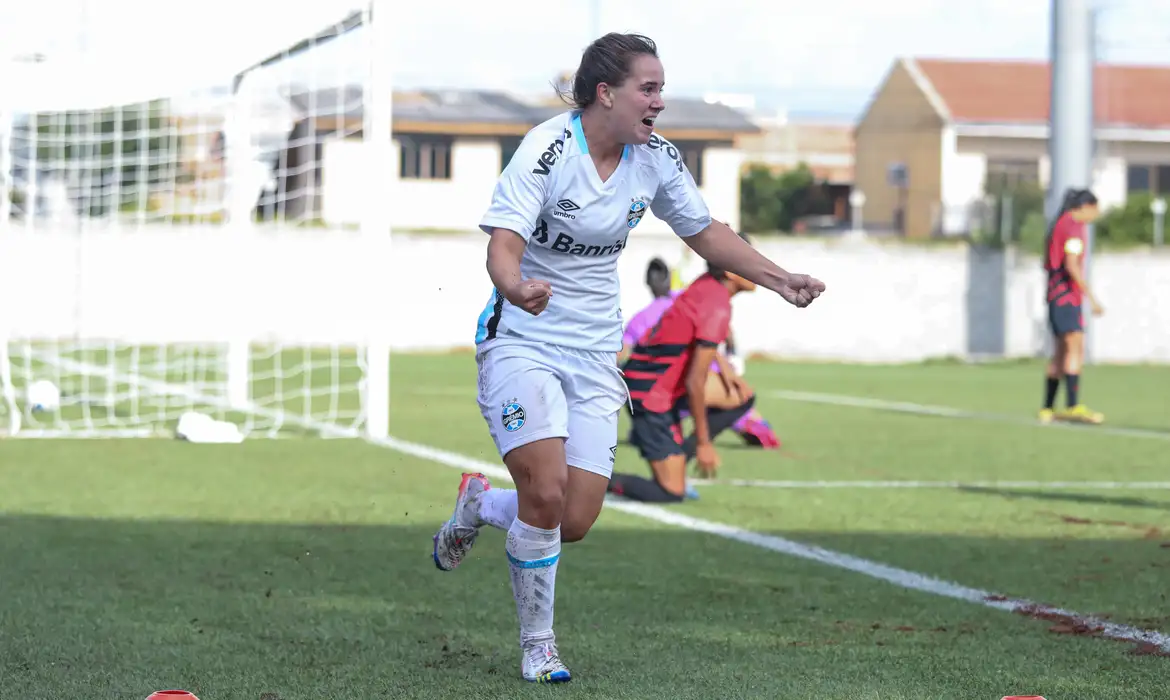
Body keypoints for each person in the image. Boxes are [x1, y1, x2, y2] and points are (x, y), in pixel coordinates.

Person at [430, 32, 826, 684]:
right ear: (606, 93)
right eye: (649, 88)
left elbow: (707, 234)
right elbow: (502, 244)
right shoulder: (548, 150)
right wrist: (514, 286)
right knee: (546, 488)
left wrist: (780, 279)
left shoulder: (656, 159)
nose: (660, 102)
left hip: (593, 354)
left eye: (661, 89)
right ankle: (539, 646)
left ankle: (477, 507)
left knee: (575, 519)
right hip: (522, 341)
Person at [609, 247, 760, 502]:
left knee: (742, 396)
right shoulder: (717, 305)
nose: (758, 269)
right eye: (750, 261)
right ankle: (595, 481)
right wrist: (703, 443)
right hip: (649, 393)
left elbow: (696, 334)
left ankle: (679, 452)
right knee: (671, 491)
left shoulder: (706, 286)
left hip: (663, 384)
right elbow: (695, 382)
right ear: (729, 272)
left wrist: (725, 369)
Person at [621, 257, 781, 451]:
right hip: (694, 383)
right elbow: (716, 338)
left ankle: (664, 429)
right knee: (745, 404)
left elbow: (622, 355)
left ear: (648, 283)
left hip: (662, 387)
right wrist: (731, 359)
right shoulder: (688, 298)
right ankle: (722, 428)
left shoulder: (641, 317)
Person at [1040, 187, 1104, 425]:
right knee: (1075, 348)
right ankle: (1073, 405)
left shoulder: (1060, 224)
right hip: (1067, 298)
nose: (1096, 215)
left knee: (1059, 353)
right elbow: (1072, 265)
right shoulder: (1074, 228)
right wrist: (1092, 298)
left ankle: (1046, 408)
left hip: (1055, 296)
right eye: (1095, 209)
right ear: (1085, 207)